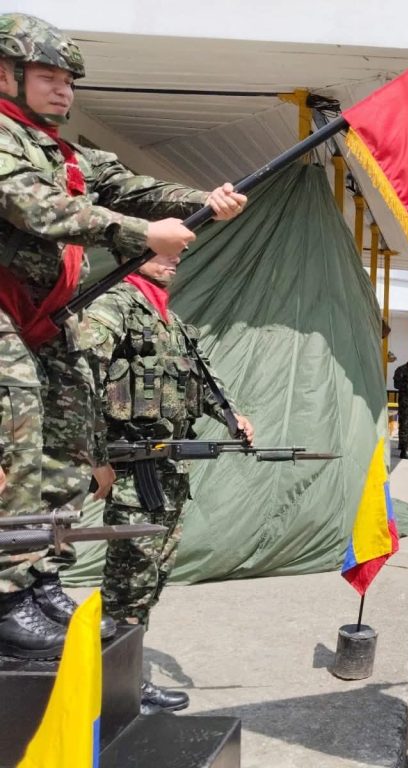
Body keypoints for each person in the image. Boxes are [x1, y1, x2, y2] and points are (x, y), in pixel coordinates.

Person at [0, 13, 246, 659]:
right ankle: (5, 594)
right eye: (48, 76)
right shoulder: (4, 140)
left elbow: (127, 186)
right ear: (7, 73)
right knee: (20, 432)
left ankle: (37, 574)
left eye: (69, 80)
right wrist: (140, 234)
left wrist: (202, 198)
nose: (63, 90)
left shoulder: (63, 150)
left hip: (42, 315)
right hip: (4, 309)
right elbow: (37, 207)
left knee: (69, 441)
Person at [80, 251, 253, 713]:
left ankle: (121, 679)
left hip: (171, 470)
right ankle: (112, 690)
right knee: (129, 580)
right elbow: (82, 377)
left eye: (178, 253)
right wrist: (97, 457)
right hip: (133, 469)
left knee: (152, 579)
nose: (175, 259)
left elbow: (203, 376)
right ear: (134, 251)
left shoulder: (170, 320)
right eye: (163, 250)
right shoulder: (113, 305)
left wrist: (231, 415)